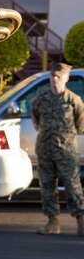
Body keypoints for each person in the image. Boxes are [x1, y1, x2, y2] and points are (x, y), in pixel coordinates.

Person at [33, 62, 84, 236]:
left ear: (66, 78)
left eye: (59, 77)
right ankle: (52, 223)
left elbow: (80, 124)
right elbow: (36, 120)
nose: (55, 80)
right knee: (47, 187)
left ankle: (81, 221)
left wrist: (66, 138)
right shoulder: (41, 99)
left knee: (72, 185)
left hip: (66, 151)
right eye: (53, 77)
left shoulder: (74, 100)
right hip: (45, 149)